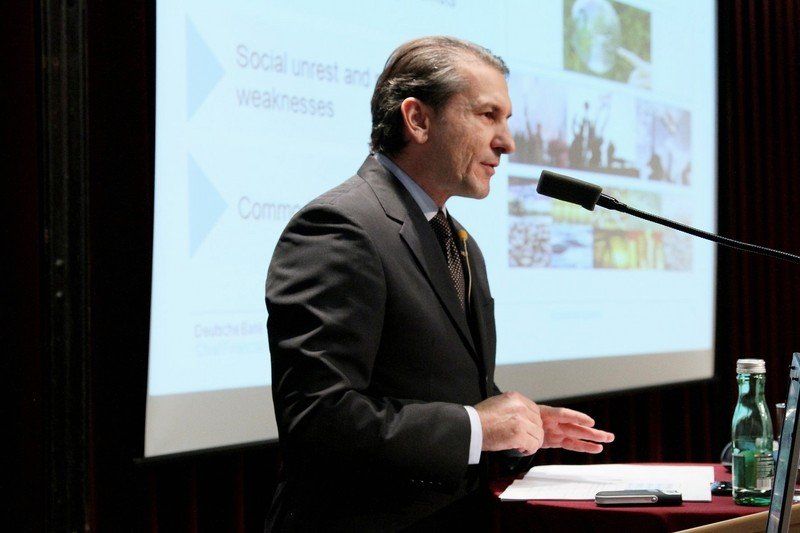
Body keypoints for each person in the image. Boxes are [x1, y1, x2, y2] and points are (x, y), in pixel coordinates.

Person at [265, 36, 615, 532]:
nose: (507, 142)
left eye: (507, 119)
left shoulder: (459, 240)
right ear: (418, 120)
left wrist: (516, 426)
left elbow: (434, 386)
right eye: (487, 115)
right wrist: (478, 427)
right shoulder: (339, 228)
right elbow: (319, 418)